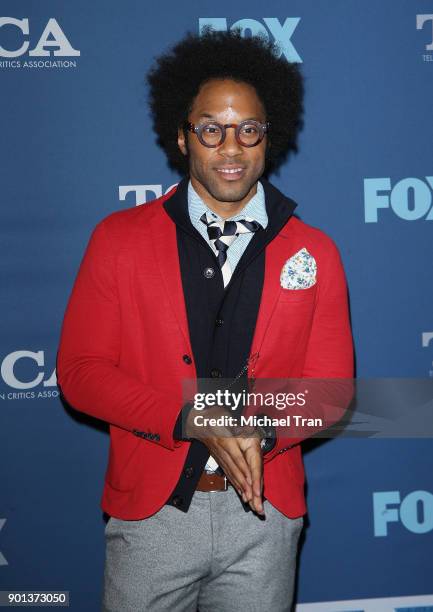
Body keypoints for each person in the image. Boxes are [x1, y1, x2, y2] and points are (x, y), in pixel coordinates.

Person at [57, 29, 354, 612]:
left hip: (264, 517)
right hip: (152, 517)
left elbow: (331, 392)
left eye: (248, 129)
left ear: (270, 137)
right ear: (182, 136)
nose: (231, 147)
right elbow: (82, 371)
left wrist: (256, 431)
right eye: (211, 129)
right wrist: (193, 417)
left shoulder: (315, 251)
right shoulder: (117, 240)